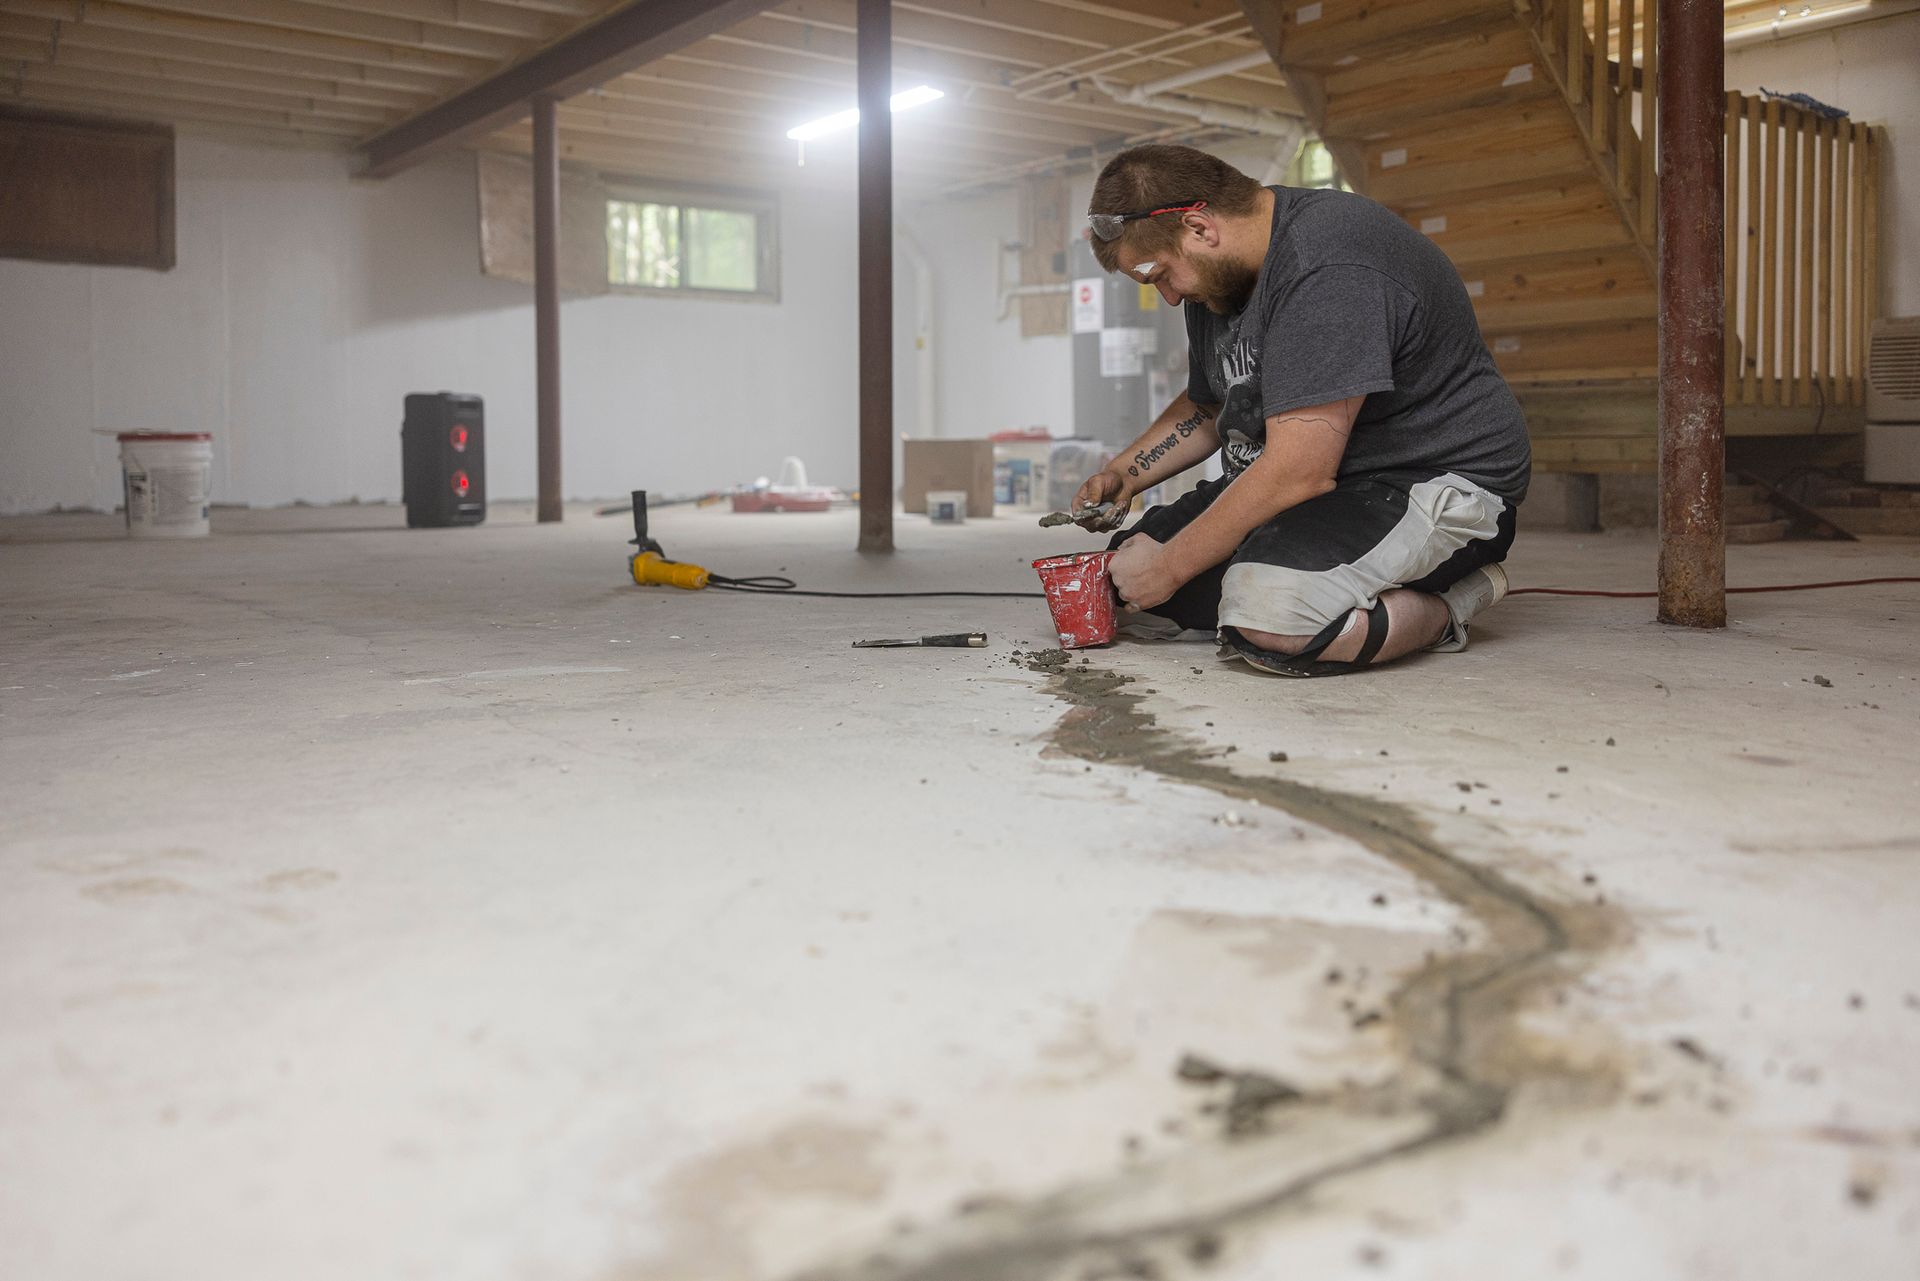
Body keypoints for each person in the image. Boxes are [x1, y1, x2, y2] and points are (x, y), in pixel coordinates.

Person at [1073, 144, 1531, 676]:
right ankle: (1298, 580)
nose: (1170, 298)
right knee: (1127, 570)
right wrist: (1124, 474)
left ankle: (1453, 601)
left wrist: (1172, 569)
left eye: (1160, 275)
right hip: (1319, 479)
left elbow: (1298, 472)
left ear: (1200, 227)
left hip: (1423, 478)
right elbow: (1213, 401)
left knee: (1270, 618)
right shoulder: (1217, 283)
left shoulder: (1328, 259)